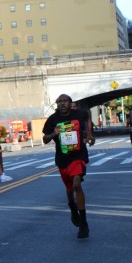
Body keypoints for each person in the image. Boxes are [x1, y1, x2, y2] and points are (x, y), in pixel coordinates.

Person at [43, 94, 95, 239]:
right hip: (63, 158)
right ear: (57, 104)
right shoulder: (52, 119)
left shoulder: (78, 114)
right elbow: (45, 139)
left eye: (65, 101)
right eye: (59, 101)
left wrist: (89, 134)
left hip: (78, 155)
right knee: (70, 188)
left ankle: (83, 223)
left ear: (70, 103)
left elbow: (87, 116)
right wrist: (54, 133)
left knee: (77, 184)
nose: (62, 103)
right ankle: (72, 206)